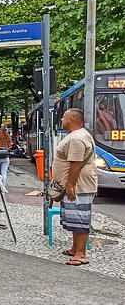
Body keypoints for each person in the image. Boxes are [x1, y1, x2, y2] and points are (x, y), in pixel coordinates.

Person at [52, 108, 97, 266]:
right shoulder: (80, 135)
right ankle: (75, 248)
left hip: (79, 186)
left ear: (71, 119)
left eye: (64, 118)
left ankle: (80, 254)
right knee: (75, 218)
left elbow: (76, 163)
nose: (61, 120)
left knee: (80, 219)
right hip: (78, 185)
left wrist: (70, 185)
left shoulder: (76, 138)